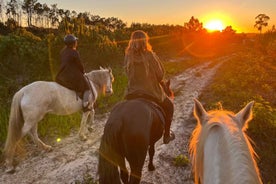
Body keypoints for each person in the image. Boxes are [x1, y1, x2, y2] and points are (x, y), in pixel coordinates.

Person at [124, 30, 175, 144]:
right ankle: (166, 135)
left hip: (132, 93)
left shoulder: (128, 56)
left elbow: (127, 73)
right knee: (169, 106)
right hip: (151, 92)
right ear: (145, 41)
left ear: (132, 41)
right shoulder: (150, 55)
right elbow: (160, 75)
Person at [55, 34, 91, 112]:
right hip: (73, 75)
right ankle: (85, 105)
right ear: (73, 43)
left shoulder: (62, 52)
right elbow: (79, 64)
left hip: (62, 75)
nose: (76, 42)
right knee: (87, 88)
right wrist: (83, 71)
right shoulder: (74, 52)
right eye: (76, 41)